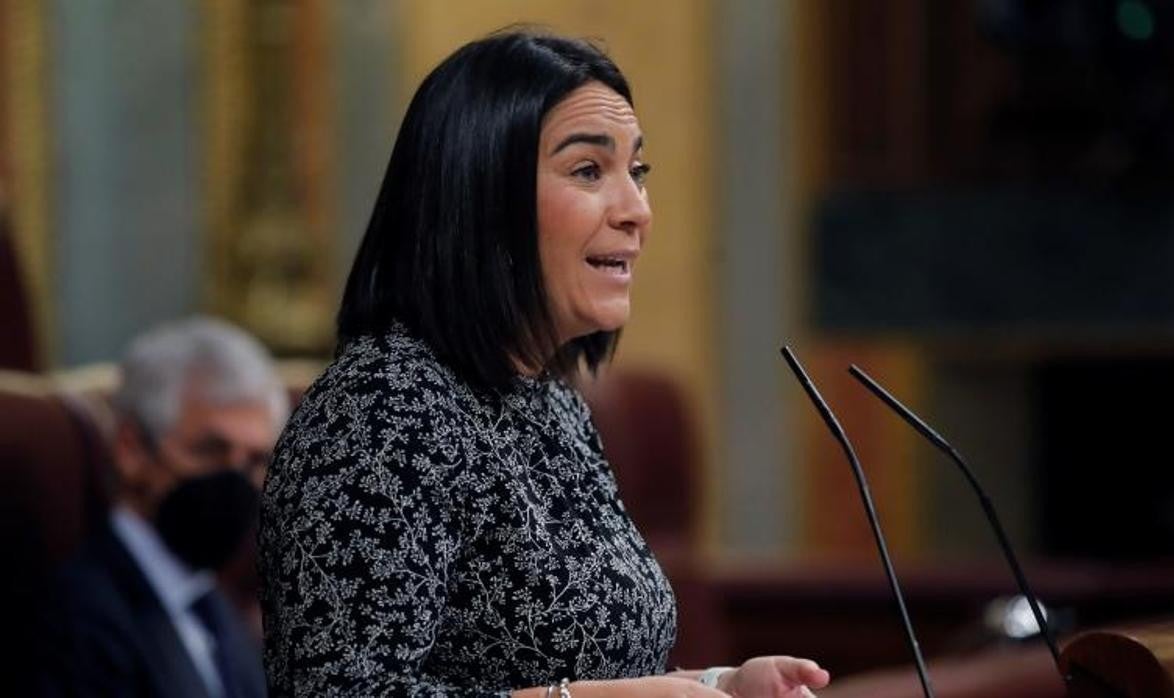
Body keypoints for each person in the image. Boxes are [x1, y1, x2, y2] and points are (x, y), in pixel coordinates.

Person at [258, 30, 830, 697]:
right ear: (480, 200)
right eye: (590, 171)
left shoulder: (550, 402)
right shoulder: (378, 416)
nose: (636, 211)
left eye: (637, 173)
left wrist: (721, 684)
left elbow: (583, 671)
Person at [39, 317, 287, 698]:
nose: (236, 481)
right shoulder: (75, 619)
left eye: (255, 462)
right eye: (209, 451)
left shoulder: (217, 609)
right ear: (131, 450)